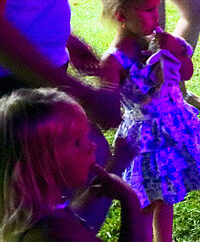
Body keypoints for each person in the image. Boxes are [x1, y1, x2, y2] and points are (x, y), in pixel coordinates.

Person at [98, 0, 200, 242]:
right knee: (143, 202)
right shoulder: (114, 60)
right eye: (148, 10)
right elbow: (107, 111)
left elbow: (186, 73)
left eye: (157, 7)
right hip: (143, 140)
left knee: (166, 196)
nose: (156, 15)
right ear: (121, 15)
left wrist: (176, 52)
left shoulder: (161, 42)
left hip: (171, 130)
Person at [0, 88, 150, 242]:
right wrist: (129, 200)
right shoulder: (55, 233)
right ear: (39, 162)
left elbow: (73, 213)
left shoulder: (33, 213)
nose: (91, 146)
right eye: (77, 142)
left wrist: (92, 193)